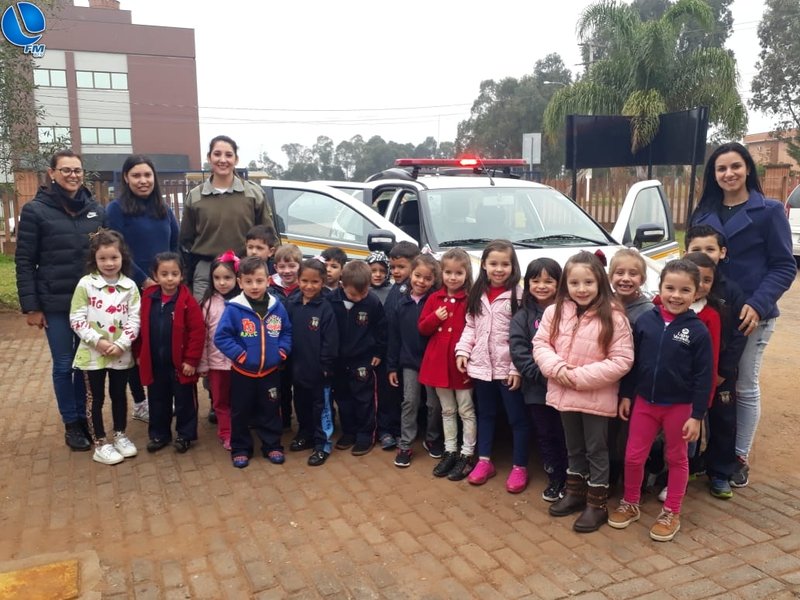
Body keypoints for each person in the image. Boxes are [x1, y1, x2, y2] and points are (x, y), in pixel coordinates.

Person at [690, 142, 796, 487]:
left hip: (752, 314)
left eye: (735, 166)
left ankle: (738, 456)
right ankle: (707, 453)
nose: (729, 174)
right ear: (713, 174)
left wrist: (759, 302)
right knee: (710, 381)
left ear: (748, 168)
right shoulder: (703, 212)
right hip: (708, 312)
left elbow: (783, 266)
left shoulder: (768, 211)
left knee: (743, 384)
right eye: (721, 168)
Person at [609, 260, 713, 542]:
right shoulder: (646, 321)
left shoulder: (698, 331)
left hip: (679, 407)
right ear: (660, 288)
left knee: (676, 457)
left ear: (696, 294)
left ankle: (671, 511)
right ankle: (631, 502)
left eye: (684, 290)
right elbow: (633, 363)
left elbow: (705, 377)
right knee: (633, 456)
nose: (676, 295)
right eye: (670, 288)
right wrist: (627, 395)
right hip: (644, 403)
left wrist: (697, 415)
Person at [533, 251, 634, 533]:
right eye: (575, 283)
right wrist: (558, 369)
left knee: (596, 449)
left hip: (594, 396)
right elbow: (541, 344)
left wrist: (576, 377)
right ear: (566, 284)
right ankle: (575, 493)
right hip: (564, 391)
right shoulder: (555, 311)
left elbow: (622, 360)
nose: (581, 289)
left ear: (600, 282)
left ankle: (597, 503)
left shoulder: (614, 317)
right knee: (573, 445)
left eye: (588, 282)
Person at [16, 149, 106, 451]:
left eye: (77, 170)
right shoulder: (35, 211)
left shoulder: (95, 209)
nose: (73, 175)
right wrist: (32, 306)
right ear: (52, 174)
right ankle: (71, 423)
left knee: (85, 364)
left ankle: (85, 418)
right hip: (55, 304)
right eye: (66, 170)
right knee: (64, 364)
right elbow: (25, 261)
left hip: (90, 304)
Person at [107, 155, 179, 424]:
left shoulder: (164, 209)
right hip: (132, 288)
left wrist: (172, 277)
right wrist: (144, 280)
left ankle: (161, 395)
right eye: (136, 175)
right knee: (135, 347)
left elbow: (175, 244)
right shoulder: (116, 209)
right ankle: (139, 402)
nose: (143, 180)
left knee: (160, 343)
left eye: (147, 175)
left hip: (164, 288)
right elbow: (117, 252)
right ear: (126, 178)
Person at [455, 240, 530, 493]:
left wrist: (517, 368)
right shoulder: (477, 293)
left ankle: (520, 466)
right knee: (485, 414)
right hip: (481, 368)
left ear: (513, 266)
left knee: (517, 419)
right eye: (493, 264)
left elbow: (524, 338)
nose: (499, 269)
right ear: (484, 265)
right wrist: (463, 350)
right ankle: (484, 461)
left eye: (505, 264)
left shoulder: (520, 297)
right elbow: (471, 326)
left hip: (508, 371)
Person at [685, 225, 748, 498]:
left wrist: (724, 369)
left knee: (722, 420)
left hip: (721, 371)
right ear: (684, 252)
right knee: (689, 419)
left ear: (722, 252)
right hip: (687, 373)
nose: (704, 254)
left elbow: (738, 334)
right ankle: (688, 464)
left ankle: (720, 472)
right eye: (696, 249)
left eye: (710, 249)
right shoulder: (678, 288)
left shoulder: (731, 291)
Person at [69, 229, 140, 465]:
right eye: (103, 258)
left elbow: (135, 319)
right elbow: (76, 318)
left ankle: (120, 433)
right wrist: (96, 341)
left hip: (121, 353)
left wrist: (121, 344)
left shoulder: (130, 286)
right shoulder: (85, 284)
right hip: (92, 354)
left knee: (119, 394)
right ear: (94, 259)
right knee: (95, 398)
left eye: (114, 258)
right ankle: (100, 442)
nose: (109, 263)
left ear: (123, 258)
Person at [214, 256, 292, 468]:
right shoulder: (234, 309)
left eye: (258, 281)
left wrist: (282, 352)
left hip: (271, 372)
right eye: (248, 281)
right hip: (243, 373)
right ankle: (241, 448)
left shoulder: (277, 307)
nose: (254, 286)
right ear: (240, 282)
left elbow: (286, 331)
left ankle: (272, 445)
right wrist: (241, 356)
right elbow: (222, 337)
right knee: (240, 412)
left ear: (268, 280)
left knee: (270, 410)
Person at [180, 135, 273, 300]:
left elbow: (267, 235)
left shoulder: (253, 193)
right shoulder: (195, 196)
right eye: (217, 154)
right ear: (209, 158)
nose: (223, 160)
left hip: (245, 270)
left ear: (236, 159)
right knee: (204, 319)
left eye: (228, 155)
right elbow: (186, 239)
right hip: (206, 271)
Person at [510, 257, 569, 502]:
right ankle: (555, 475)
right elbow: (518, 349)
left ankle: (571, 475)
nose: (542, 285)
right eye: (536, 280)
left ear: (559, 283)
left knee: (566, 433)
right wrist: (539, 375)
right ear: (528, 283)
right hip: (537, 388)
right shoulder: (523, 316)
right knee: (546, 433)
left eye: (548, 280)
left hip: (567, 387)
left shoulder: (570, 311)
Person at [135, 252, 205, 454]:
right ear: (155, 276)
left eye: (174, 273)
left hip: (180, 364)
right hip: (155, 361)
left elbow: (197, 332)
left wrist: (191, 360)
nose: (169, 278)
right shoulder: (148, 297)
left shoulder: (187, 301)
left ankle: (185, 435)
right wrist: (139, 353)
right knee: (158, 400)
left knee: (184, 402)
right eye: (164, 274)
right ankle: (159, 434)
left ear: (182, 275)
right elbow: (139, 327)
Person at [419, 248, 475, 481]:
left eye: (458, 273)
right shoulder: (434, 299)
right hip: (437, 364)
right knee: (448, 410)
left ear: (466, 274)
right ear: (442, 273)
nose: (453, 277)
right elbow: (422, 328)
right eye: (448, 272)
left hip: (460, 365)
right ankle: (450, 450)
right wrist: (436, 318)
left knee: (466, 410)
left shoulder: (470, 299)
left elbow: (475, 331)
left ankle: (467, 453)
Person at [329, 260, 388, 456]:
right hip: (338, 361)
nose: (360, 297)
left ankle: (365, 435)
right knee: (343, 398)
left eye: (364, 292)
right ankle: (349, 431)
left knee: (364, 398)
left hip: (363, 359)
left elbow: (381, 330)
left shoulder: (371, 302)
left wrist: (378, 352)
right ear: (342, 285)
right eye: (355, 294)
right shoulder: (331, 301)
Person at [388, 254, 441, 468]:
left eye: (427, 278)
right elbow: (394, 337)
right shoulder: (401, 304)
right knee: (409, 402)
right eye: (418, 276)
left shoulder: (436, 302)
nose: (421, 281)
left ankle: (432, 438)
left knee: (434, 404)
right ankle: (406, 444)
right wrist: (391, 366)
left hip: (431, 362)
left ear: (433, 280)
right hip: (409, 362)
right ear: (411, 274)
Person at [608, 249, 654, 488]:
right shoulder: (603, 303)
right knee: (609, 432)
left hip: (632, 384)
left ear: (642, 279)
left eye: (633, 273)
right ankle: (610, 475)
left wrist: (629, 390)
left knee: (629, 434)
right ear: (610, 276)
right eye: (619, 272)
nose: (625, 278)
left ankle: (635, 479)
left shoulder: (646, 312)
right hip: (606, 381)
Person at [286, 259, 339, 466]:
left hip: (319, 371)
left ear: (323, 282)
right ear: (298, 280)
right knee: (301, 404)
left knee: (322, 408)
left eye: (315, 282)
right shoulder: (293, 303)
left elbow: (330, 341)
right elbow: (286, 332)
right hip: (298, 368)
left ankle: (322, 444)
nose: (309, 286)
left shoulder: (326, 308)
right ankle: (305, 434)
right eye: (305, 281)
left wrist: (326, 366)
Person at [197, 251, 240, 450]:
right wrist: (204, 363)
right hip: (216, 365)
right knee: (221, 402)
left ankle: (241, 431)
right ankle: (226, 433)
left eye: (227, 278)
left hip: (240, 363)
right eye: (217, 278)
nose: (222, 282)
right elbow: (203, 337)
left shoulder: (242, 302)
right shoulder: (207, 304)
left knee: (239, 400)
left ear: (237, 278)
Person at [269, 244, 302, 431]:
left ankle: (303, 421)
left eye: (291, 266)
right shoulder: (269, 287)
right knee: (280, 386)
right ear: (275, 268)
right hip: (278, 345)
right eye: (282, 267)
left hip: (299, 345)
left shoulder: (305, 286)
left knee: (299, 385)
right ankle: (284, 420)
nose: (287, 271)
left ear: (299, 265)